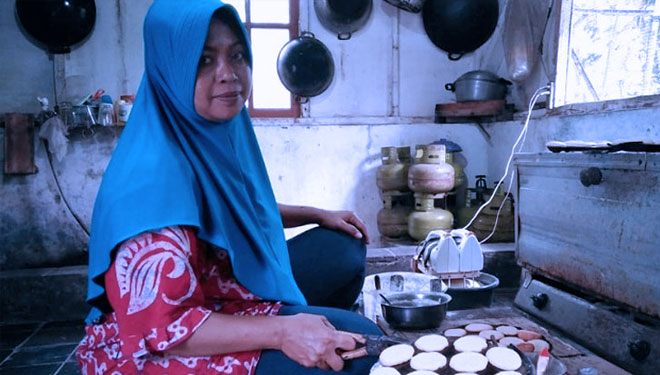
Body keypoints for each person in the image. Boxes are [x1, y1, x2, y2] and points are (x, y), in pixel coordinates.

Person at [75, 1, 382, 374]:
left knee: (341, 247)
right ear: (171, 66)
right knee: (362, 354)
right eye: (204, 60)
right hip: (160, 344)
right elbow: (161, 326)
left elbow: (232, 211)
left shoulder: (210, 132)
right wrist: (282, 332)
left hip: (216, 290)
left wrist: (318, 214)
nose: (228, 75)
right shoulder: (150, 179)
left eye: (237, 55)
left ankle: (303, 330)